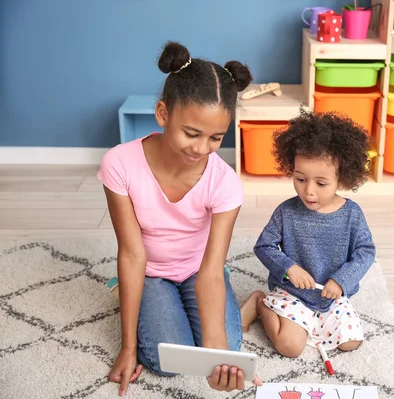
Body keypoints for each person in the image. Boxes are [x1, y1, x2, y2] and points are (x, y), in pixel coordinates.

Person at [97, 41, 261, 396]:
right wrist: (127, 349)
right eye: (191, 133)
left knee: (221, 352)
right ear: (162, 113)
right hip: (149, 272)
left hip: (200, 271)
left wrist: (219, 357)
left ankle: (241, 311)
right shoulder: (119, 164)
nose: (201, 149)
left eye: (216, 137)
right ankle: (128, 296)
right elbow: (131, 253)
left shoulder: (225, 183)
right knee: (165, 361)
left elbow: (211, 270)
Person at [240, 110, 377, 358]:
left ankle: (312, 322)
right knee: (290, 348)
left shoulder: (352, 214)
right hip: (293, 292)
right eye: (300, 179)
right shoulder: (286, 211)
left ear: (342, 179)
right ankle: (260, 304)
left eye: (321, 183)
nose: (308, 191)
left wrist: (341, 281)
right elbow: (264, 246)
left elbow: (366, 252)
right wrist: (289, 267)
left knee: (351, 342)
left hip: (330, 294)